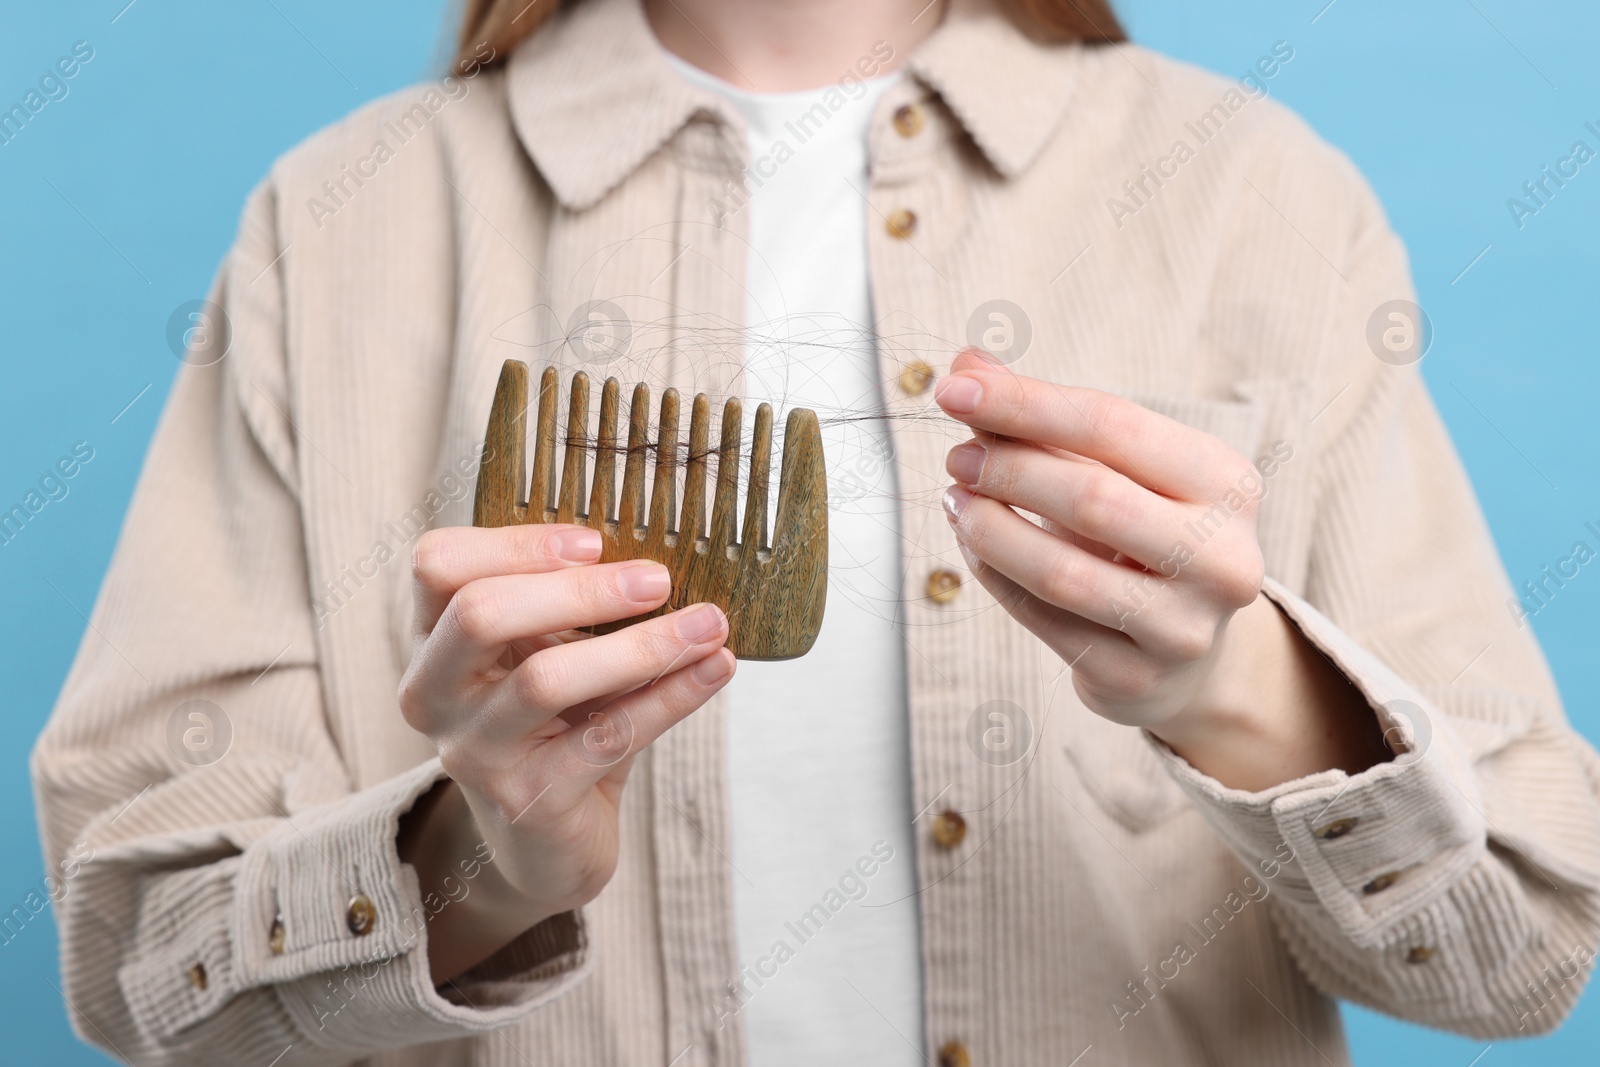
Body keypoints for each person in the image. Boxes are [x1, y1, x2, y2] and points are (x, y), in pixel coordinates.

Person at [34, 0, 1600, 1063]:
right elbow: (143, 978)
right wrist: (484, 863)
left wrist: (1240, 693)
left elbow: (1521, 955)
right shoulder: (344, 221)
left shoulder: (1257, 197)